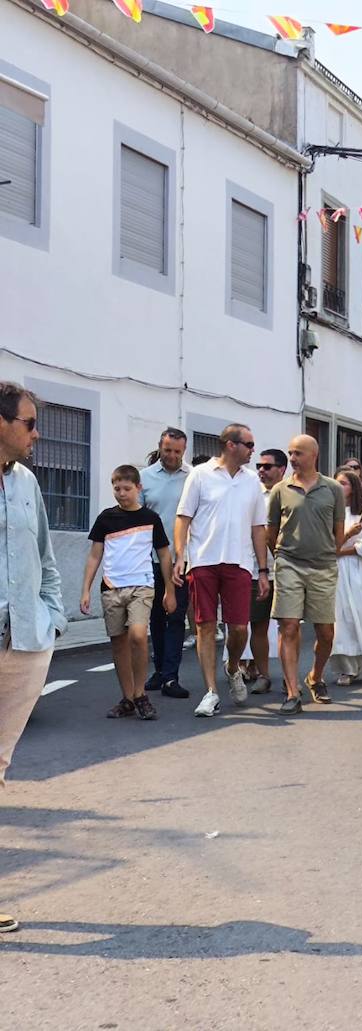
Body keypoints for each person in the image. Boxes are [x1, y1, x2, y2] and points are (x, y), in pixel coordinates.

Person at [0, 383, 67, 934]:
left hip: (23, 643)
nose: (36, 433)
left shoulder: (26, 484)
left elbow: (46, 557)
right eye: (28, 422)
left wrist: (53, 617)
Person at [174, 424, 270, 718]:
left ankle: (232, 667)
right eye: (249, 444)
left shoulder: (252, 481)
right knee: (204, 626)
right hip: (203, 560)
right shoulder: (200, 475)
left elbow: (258, 528)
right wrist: (181, 557)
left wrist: (263, 569)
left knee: (239, 628)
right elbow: (183, 518)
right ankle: (211, 692)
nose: (253, 450)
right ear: (231, 445)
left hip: (240, 563)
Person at [80, 465, 176, 721]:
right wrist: (85, 590)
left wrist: (169, 590)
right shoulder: (105, 518)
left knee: (138, 635)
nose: (121, 493)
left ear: (138, 488)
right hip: (112, 588)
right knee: (119, 642)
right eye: (117, 488)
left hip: (142, 586)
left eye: (127, 488)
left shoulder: (151, 519)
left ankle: (140, 693)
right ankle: (128, 699)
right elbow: (94, 555)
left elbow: (164, 554)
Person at [267, 436, 346, 716]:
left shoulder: (334, 489)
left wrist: (328, 552)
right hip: (289, 563)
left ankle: (315, 676)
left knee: (325, 631)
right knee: (288, 625)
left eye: (297, 453)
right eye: (290, 453)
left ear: (314, 454)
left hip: (323, 566)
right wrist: (281, 556)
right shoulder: (280, 489)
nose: (292, 458)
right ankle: (291, 692)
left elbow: (339, 530)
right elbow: (271, 530)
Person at [140, 428, 191, 699]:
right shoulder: (144, 478)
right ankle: (159, 670)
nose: (172, 456)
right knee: (156, 619)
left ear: (184, 451)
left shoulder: (193, 478)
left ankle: (171, 677)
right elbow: (136, 519)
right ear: (160, 447)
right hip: (150, 561)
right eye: (167, 450)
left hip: (181, 561)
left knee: (176, 617)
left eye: (177, 451)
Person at [242, 448, 287, 695]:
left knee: (288, 625)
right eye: (258, 465)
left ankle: (290, 679)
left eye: (267, 466)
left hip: (286, 567)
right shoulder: (252, 493)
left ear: (282, 469)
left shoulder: (291, 492)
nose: (261, 470)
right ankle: (263, 675)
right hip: (256, 568)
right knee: (257, 623)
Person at [330, 469, 362, 686]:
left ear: (353, 487)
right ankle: (344, 667)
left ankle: (356, 663)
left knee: (356, 614)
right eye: (336, 482)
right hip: (334, 570)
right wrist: (342, 546)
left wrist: (343, 550)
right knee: (339, 619)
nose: (339, 487)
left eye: (344, 483)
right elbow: (326, 545)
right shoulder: (329, 512)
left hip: (356, 571)